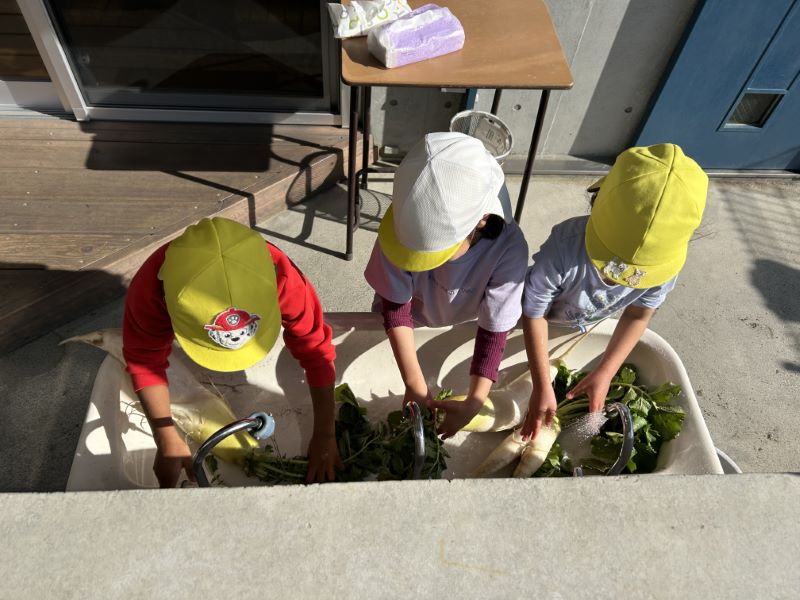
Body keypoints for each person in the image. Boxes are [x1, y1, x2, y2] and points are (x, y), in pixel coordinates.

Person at [123, 217, 342, 486]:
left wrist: (325, 433)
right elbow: (143, 359)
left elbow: (316, 349)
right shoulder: (151, 288)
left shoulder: (282, 275)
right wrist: (164, 433)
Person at [519, 143, 708, 441]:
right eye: (605, 262)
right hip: (530, 324)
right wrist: (542, 384)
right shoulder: (565, 246)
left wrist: (605, 372)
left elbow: (637, 315)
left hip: (577, 329)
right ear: (594, 203)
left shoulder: (664, 268)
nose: (614, 276)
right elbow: (534, 311)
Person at [364, 132, 529, 439]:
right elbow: (395, 307)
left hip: (458, 318)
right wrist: (414, 382)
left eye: (436, 252)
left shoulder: (508, 250)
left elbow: (494, 329)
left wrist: (475, 401)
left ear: (481, 220)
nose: (422, 262)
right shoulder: (402, 225)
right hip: (404, 324)